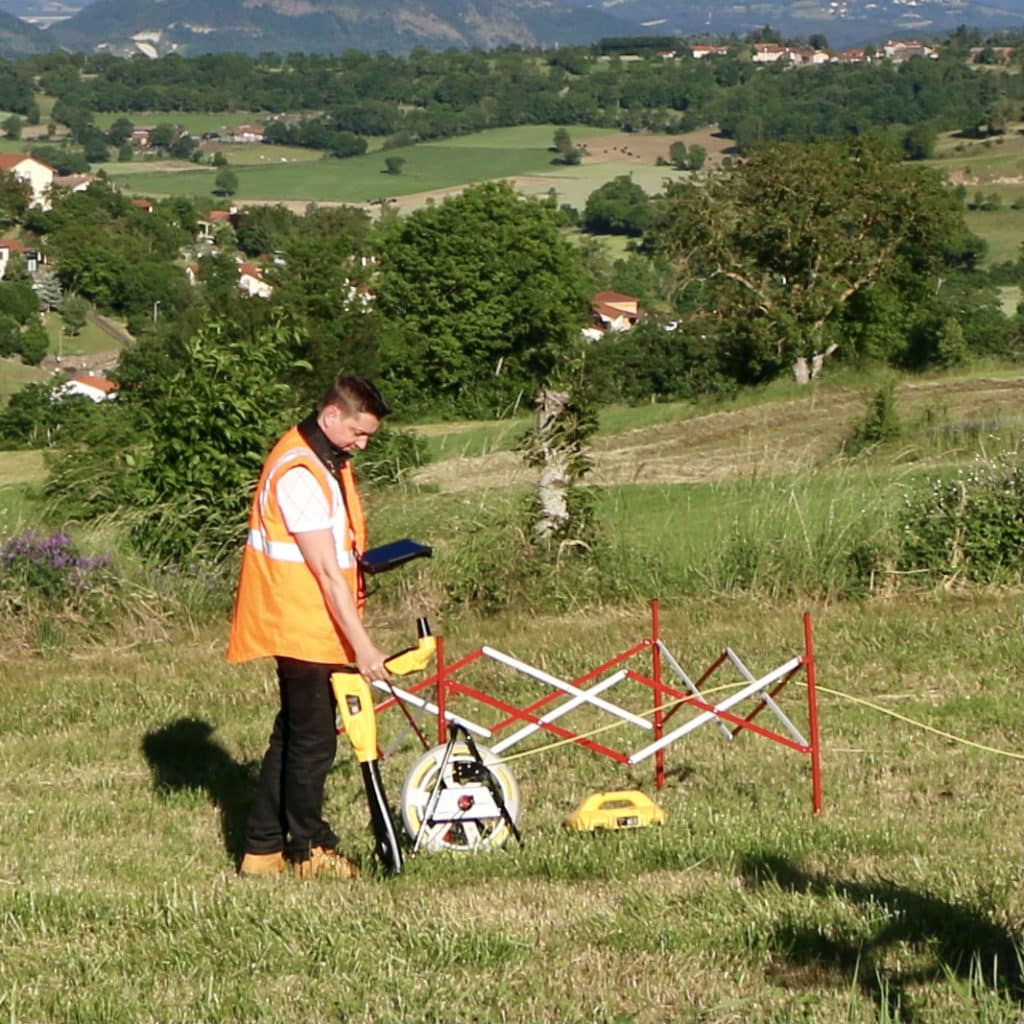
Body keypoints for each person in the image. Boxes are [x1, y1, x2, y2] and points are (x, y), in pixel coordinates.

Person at [227, 374, 393, 879]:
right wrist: (365, 649)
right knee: (315, 742)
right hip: (301, 624)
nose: (362, 445)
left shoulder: (323, 458)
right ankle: (309, 848)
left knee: (294, 735)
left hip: (313, 621)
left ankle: (261, 849)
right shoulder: (300, 471)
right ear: (330, 417)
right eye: (358, 434)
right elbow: (323, 571)